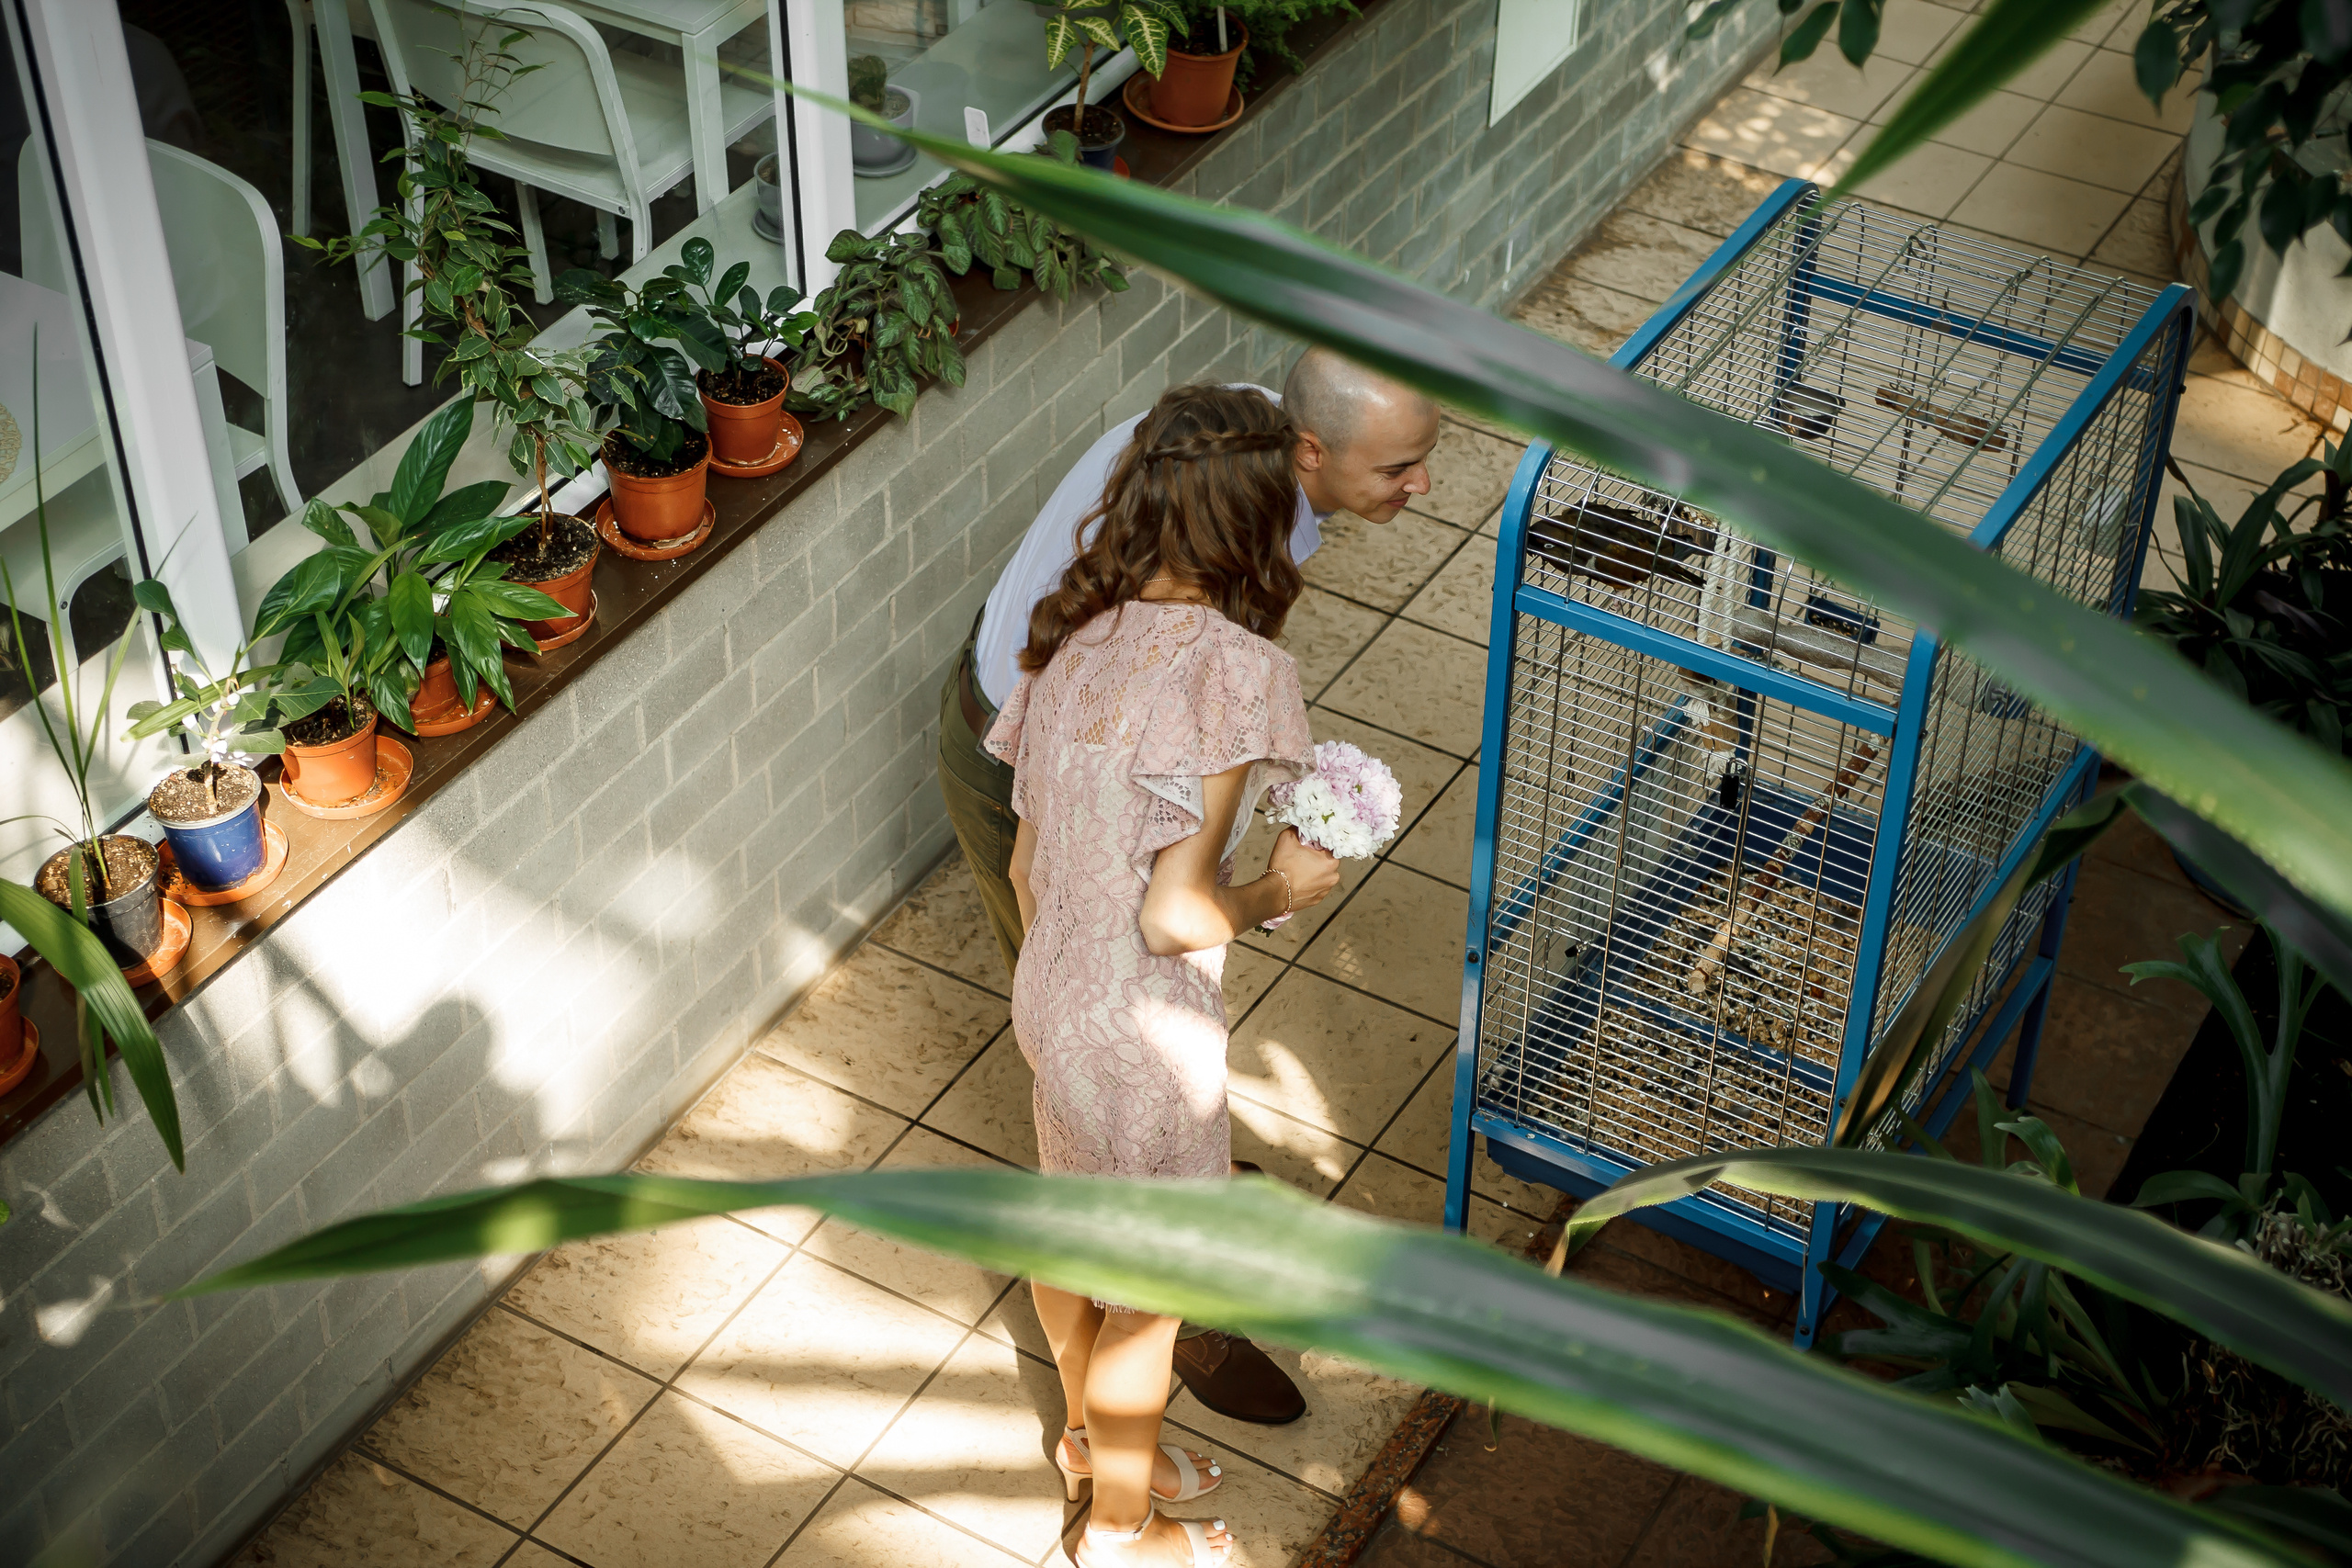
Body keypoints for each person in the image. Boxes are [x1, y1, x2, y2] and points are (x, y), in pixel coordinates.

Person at [934, 349, 1440, 1424]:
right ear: (1307, 453)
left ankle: (1089, 1400)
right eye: (1400, 468)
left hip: (1062, 902)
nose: (1420, 487)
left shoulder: (1208, 450)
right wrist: (1275, 889)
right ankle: (1165, 1340)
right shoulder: (1239, 539)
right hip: (1005, 754)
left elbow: (1058, 873)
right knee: (1133, 1216)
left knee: (1082, 1134)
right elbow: (1173, 902)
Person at [982, 384, 1347, 1566]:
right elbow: (1181, 912)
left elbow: (1030, 863)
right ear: (1259, 524)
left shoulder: (1067, 636)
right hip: (1146, 1035)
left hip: (1050, 999)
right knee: (1152, 1289)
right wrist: (1278, 895)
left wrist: (1068, 993)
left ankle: (1091, 1445)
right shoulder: (1239, 674)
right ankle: (1123, 1534)